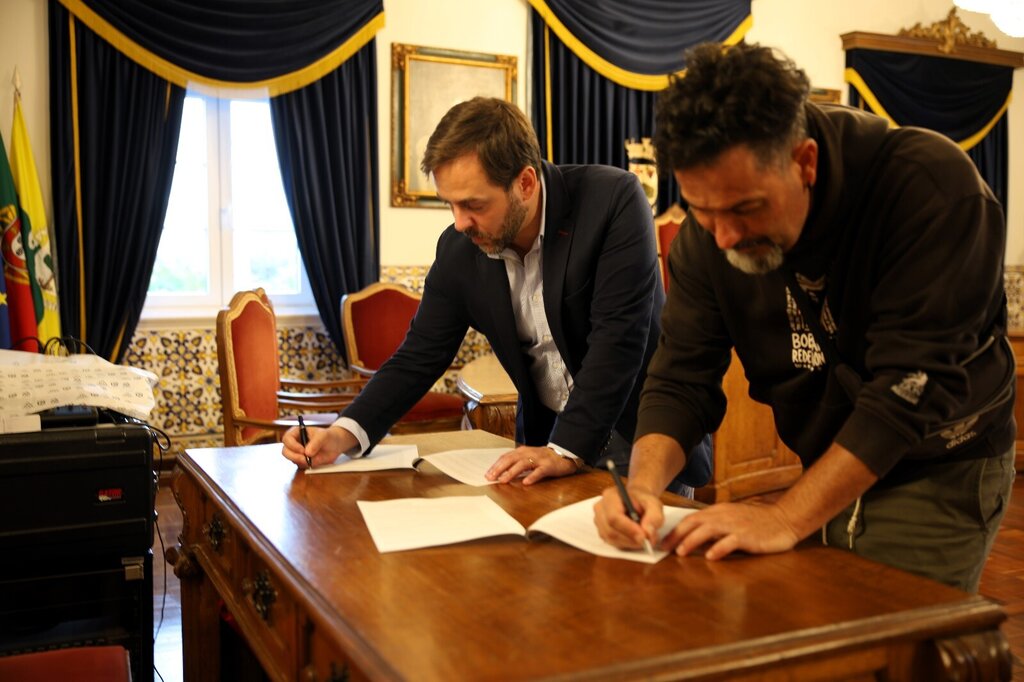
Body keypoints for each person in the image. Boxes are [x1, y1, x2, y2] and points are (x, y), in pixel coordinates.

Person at [594, 42, 1016, 592]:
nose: (724, 237)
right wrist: (643, 487)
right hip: (827, 457)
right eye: (703, 211)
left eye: (745, 209)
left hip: (941, 456)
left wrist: (786, 517)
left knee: (893, 626)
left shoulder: (929, 188)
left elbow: (907, 391)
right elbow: (680, 378)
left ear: (805, 162)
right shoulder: (707, 236)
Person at [281, 97, 711, 490]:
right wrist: (342, 433)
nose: (460, 222)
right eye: (450, 204)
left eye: (474, 204)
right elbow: (418, 356)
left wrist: (567, 450)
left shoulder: (613, 201)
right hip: (544, 443)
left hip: (637, 436)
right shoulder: (459, 248)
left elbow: (618, 341)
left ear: (525, 182)